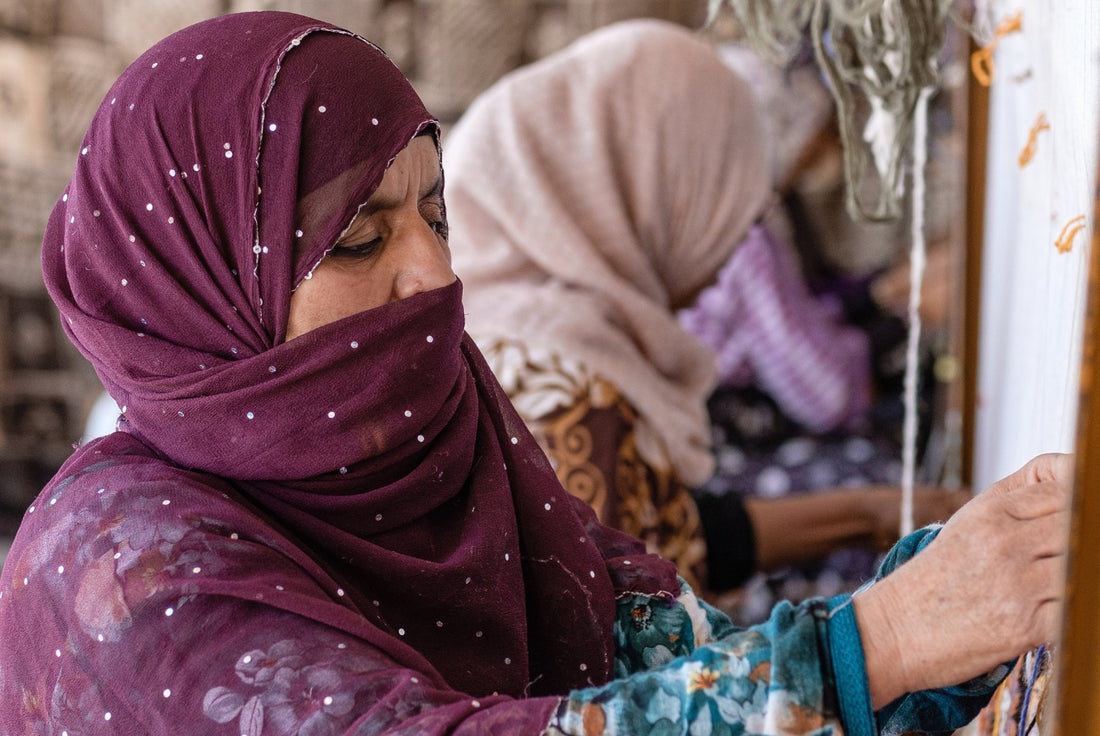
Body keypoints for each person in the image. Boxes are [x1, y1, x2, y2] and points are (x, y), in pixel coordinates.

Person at [0, 11, 1067, 735]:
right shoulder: (123, 572)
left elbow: (655, 652)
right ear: (196, 282)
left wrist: (965, 595)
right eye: (361, 241)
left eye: (433, 214)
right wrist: (879, 640)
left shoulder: (448, 439)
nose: (435, 275)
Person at [444, 19, 966, 597]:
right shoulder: (565, 394)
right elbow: (641, 653)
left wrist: (873, 515)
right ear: (649, 187)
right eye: (718, 209)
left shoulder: (514, 335)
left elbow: (677, 534)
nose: (727, 257)